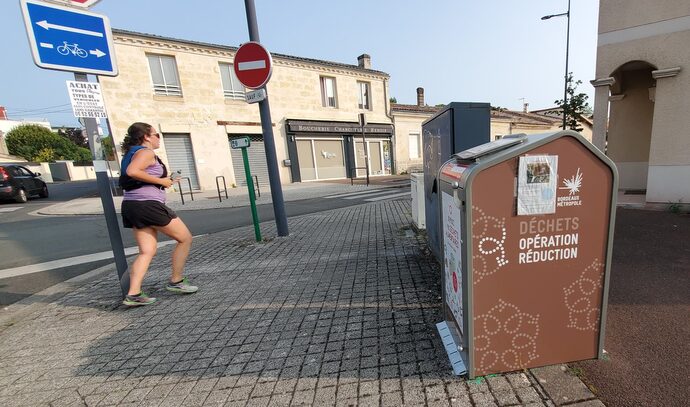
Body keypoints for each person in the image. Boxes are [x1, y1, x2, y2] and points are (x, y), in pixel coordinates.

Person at [119, 122, 197, 306]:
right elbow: (133, 172)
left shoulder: (130, 154)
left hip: (131, 205)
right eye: (156, 135)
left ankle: (134, 294)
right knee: (185, 238)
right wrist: (160, 180)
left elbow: (134, 175)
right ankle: (176, 281)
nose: (158, 138)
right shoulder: (146, 152)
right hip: (148, 205)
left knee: (147, 251)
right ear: (146, 136)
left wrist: (164, 181)